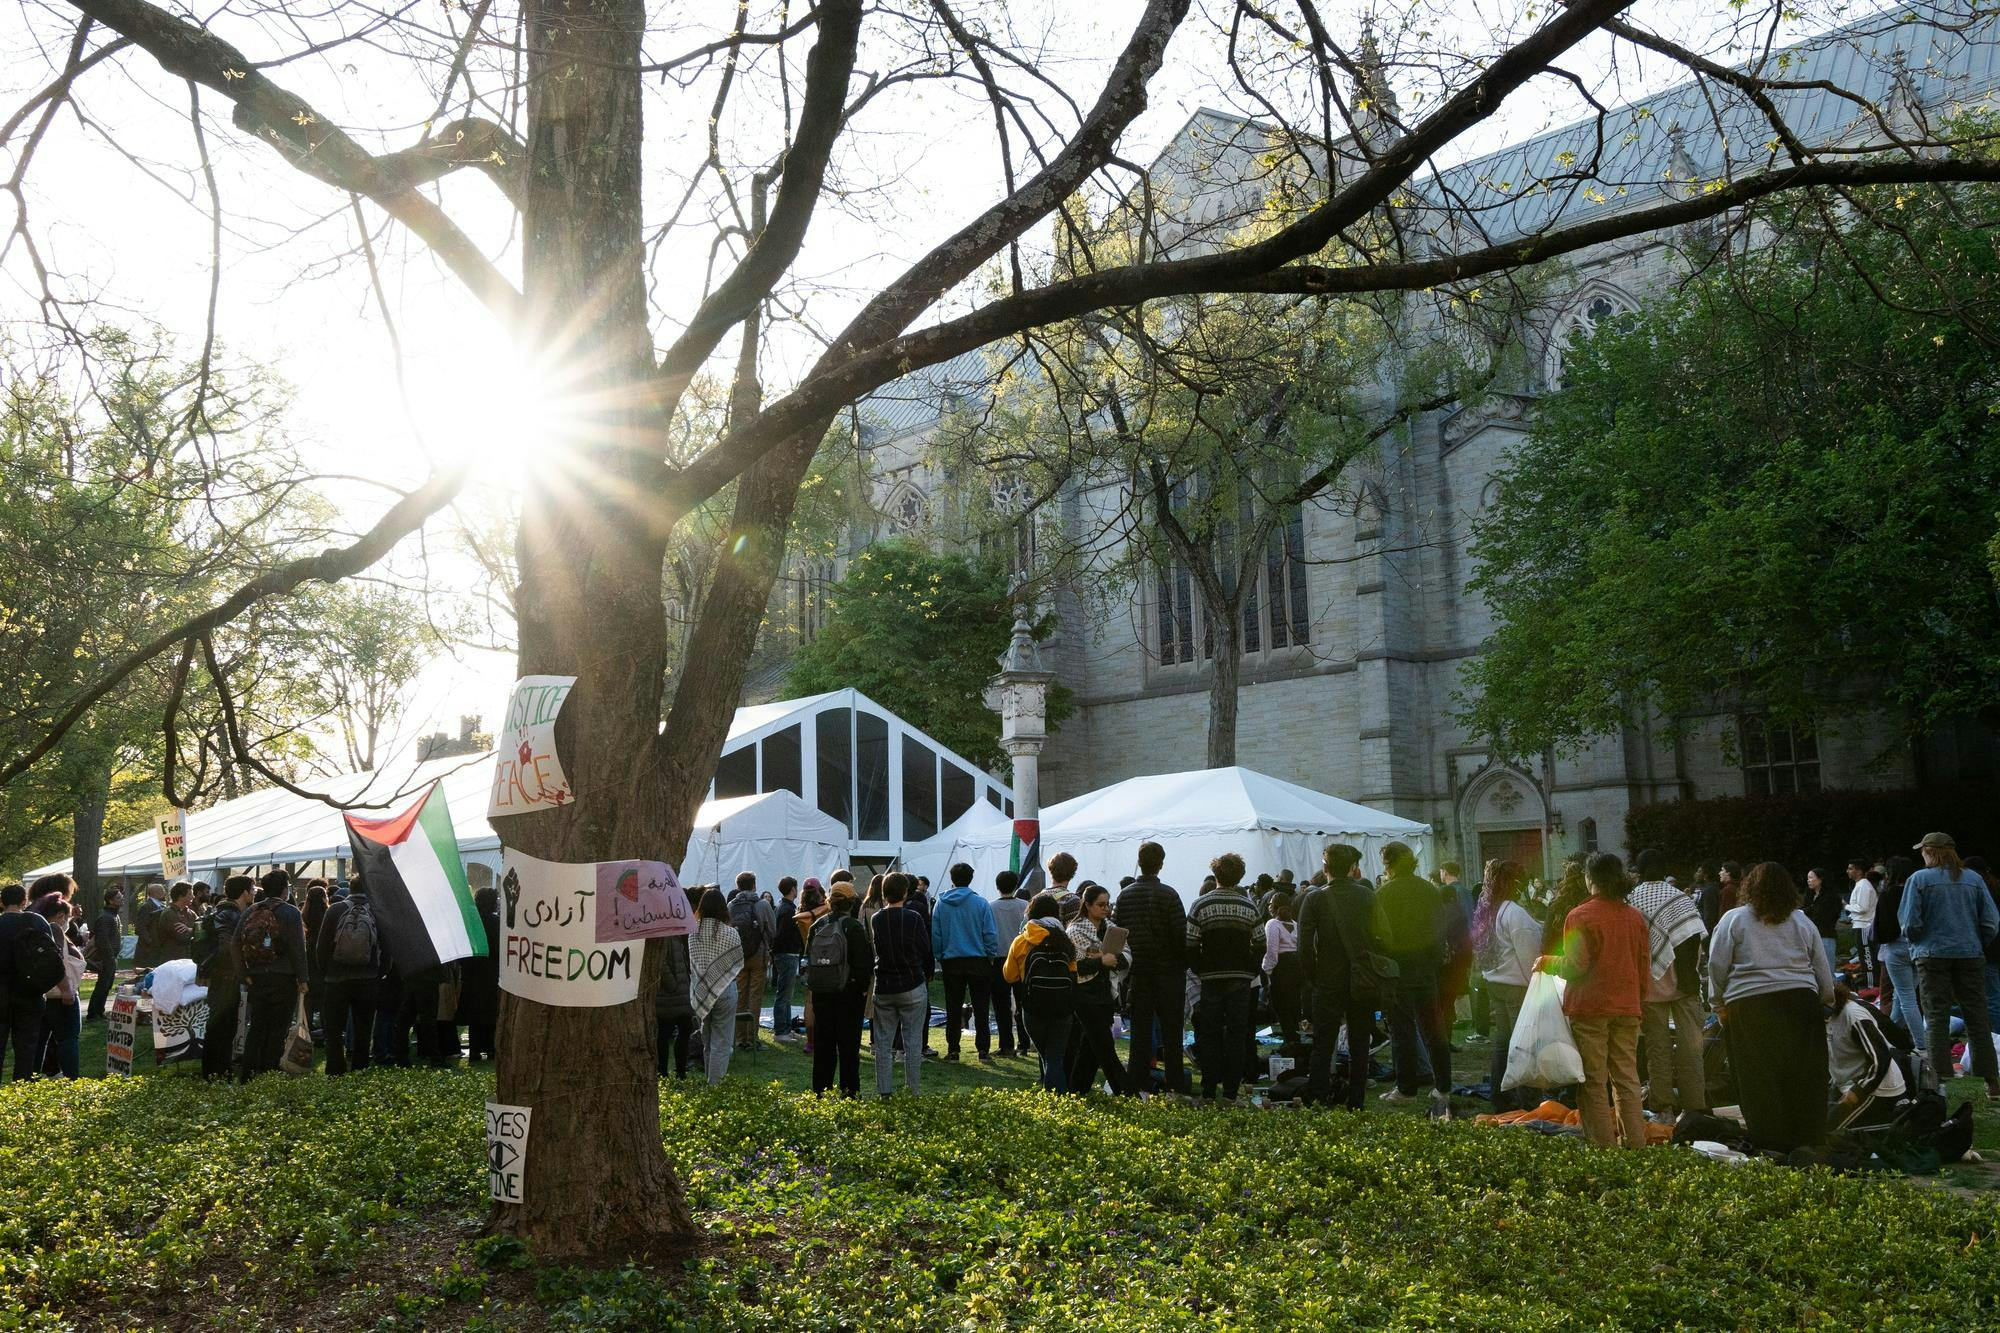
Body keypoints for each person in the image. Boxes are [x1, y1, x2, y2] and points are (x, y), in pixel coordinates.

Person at [1710, 862, 1836, 1153]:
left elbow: (1717, 965)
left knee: (1757, 1076)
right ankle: (1807, 1137)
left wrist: (1718, 1003)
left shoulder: (1734, 920)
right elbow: (1821, 967)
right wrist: (1826, 1001)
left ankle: (1770, 1140)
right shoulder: (1802, 922)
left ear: (1749, 888)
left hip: (1750, 1004)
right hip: (1800, 1002)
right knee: (1804, 1074)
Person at [1548, 853, 1650, 1149]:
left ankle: (1603, 1146)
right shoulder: (1634, 917)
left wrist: (1549, 962)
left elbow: (1575, 966)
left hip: (1590, 1008)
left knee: (1593, 1080)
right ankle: (1636, 1143)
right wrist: (1638, 1001)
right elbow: (1644, 964)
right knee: (1627, 1079)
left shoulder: (1579, 916)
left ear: (1589, 879)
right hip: (1627, 1006)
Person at [1899, 831, 2000, 1096]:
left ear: (1930, 851)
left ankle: (1940, 1080)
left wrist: (1920, 942)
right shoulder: (1974, 879)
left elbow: (1909, 923)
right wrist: (1975, 942)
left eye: (1922, 850)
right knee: (1978, 1017)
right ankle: (1990, 1080)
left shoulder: (1919, 879)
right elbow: (1991, 921)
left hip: (1932, 955)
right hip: (1969, 954)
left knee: (1935, 1017)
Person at [1372, 841, 1453, 1117]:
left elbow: (1378, 933)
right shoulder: (1429, 889)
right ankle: (1443, 1086)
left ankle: (1406, 1088)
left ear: (1389, 864)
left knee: (1402, 1030)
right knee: (1434, 1028)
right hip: (1426, 968)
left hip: (1397, 969)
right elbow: (1441, 926)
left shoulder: (1384, 893)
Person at [1299, 843, 1381, 1110]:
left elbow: (1304, 946)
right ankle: (1356, 1100)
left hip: (1328, 978)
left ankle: (1319, 1096)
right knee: (1359, 1043)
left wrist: (1314, 976)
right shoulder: (1368, 896)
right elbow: (1384, 936)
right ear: (1352, 868)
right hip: (1361, 977)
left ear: (1325, 868)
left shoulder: (1314, 898)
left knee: (1323, 1042)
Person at [1629, 848, 1709, 1116]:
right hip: (1684, 985)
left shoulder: (1631, 900)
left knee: (1657, 1051)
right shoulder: (1681, 899)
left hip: (1649, 987)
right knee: (1691, 1049)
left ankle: (1663, 1106)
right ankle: (1695, 1106)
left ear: (1638, 871)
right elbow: (1695, 936)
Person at [1113, 842, 1187, 1097]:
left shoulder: (1125, 895)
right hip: (1168, 971)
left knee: (1141, 1032)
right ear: (1161, 863)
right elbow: (1180, 935)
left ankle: (1137, 1081)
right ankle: (1175, 1083)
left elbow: (1118, 932)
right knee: (1172, 1031)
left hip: (1139, 971)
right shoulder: (1169, 895)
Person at [1187, 852, 1262, 1104]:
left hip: (1210, 978)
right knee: (1237, 1035)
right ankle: (1230, 1092)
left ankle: (1209, 1091)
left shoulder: (1201, 904)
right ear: (1239, 876)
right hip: (1240, 978)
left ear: (1216, 874)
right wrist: (1250, 969)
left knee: (1209, 1034)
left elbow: (1189, 943)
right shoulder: (1249, 905)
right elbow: (1261, 942)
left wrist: (1200, 968)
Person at [1471, 858, 1542, 1112]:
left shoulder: (1489, 909)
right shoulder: (1514, 912)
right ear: (1514, 883)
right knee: (1522, 1043)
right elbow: (1530, 957)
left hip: (1495, 982)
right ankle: (1527, 1099)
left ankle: (1500, 1096)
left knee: (1503, 1041)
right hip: (1516, 986)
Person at [235, 870, 308, 1079]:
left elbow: (235, 943)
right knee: (278, 1027)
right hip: (283, 977)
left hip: (257, 977)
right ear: (285, 890)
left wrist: (244, 973)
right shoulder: (291, 912)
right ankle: (268, 1072)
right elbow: (297, 948)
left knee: (257, 1025)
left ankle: (248, 1072)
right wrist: (303, 979)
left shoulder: (251, 910)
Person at [807, 882, 874, 1096]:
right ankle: (849, 1090)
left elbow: (808, 958)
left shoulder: (816, 926)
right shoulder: (854, 927)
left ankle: (821, 1089)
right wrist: (863, 988)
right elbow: (863, 963)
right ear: (851, 902)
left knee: (823, 1043)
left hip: (821, 991)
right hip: (849, 992)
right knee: (848, 1045)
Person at [1005, 891, 1076, 1090]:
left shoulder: (1021, 941)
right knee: (1054, 1057)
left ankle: (1054, 1098)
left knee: (1048, 1056)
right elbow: (1074, 975)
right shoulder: (1064, 940)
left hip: (1033, 1006)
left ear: (1031, 913)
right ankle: (1057, 1097)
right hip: (1062, 1007)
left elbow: (1009, 976)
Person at [315, 873, 384, 1076]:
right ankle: (360, 1067)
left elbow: (322, 944)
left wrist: (326, 970)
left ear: (350, 889)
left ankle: (335, 1069)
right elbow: (386, 947)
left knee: (333, 1029)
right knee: (363, 1028)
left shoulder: (335, 909)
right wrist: (379, 972)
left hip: (336, 979)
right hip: (368, 979)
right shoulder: (377, 912)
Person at [870, 872, 931, 1096]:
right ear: (905, 892)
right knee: (913, 1042)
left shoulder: (876, 918)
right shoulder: (913, 918)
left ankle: (884, 1091)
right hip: (911, 983)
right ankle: (912, 1090)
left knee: (883, 1043)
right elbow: (925, 948)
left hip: (885, 985)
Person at [931, 861, 999, 1063]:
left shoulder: (941, 903)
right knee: (981, 1007)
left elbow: (936, 933)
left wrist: (939, 955)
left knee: (952, 1007)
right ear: (971, 879)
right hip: (978, 960)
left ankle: (953, 1050)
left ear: (952, 879)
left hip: (951, 960)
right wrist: (990, 954)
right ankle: (983, 1050)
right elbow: (989, 933)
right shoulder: (980, 903)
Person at [1065, 882, 1129, 1095]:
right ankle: (1127, 1091)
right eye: (1101, 904)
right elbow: (1075, 967)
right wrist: (1101, 961)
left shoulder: (1112, 929)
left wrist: (1113, 960)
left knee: (1090, 1047)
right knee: (1104, 1046)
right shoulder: (1075, 931)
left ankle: (1077, 1090)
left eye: (1107, 904)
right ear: (1088, 905)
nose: (1105, 908)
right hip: (1084, 994)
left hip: (1105, 993)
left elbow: (1126, 956)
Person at [1827, 983, 1907, 1132]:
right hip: (1844, 1084)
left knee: (1830, 1133)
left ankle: (1892, 1125)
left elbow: (1880, 1058)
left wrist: (1857, 1091)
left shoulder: (1854, 1016)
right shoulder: (1823, 1016)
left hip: (1876, 1089)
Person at [196, 876, 253, 1080]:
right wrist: (240, 971)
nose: (254, 893)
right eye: (252, 889)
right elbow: (227, 947)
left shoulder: (221, 911)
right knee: (222, 1026)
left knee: (223, 1026)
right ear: (244, 892)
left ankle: (219, 1069)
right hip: (225, 976)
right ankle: (217, 1071)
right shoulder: (230, 914)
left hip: (221, 975)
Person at [0, 883, 56, 1082]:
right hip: (30, 991)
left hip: (2, 992)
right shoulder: (37, 922)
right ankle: (22, 1088)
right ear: (24, 902)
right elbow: (51, 956)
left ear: (2, 902)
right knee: (26, 1046)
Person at [690, 888, 744, 1085]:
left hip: (701, 992)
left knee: (707, 1041)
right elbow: (737, 964)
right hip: (726, 990)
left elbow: (693, 965)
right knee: (721, 1042)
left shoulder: (692, 932)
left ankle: (709, 1082)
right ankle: (715, 1087)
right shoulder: (731, 933)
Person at [1874, 856, 1924, 1049]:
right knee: (1901, 998)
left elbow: (1883, 929)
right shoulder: (1918, 892)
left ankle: (1921, 1045)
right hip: (1918, 947)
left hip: (1897, 948)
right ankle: (1889, 1036)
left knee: (1906, 999)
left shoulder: (1888, 895)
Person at [32, 894, 85, 1079]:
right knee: (68, 1039)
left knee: (40, 1040)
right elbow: (57, 961)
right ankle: (72, 1078)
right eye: (68, 917)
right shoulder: (54, 930)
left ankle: (30, 1078)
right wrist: (66, 989)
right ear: (61, 915)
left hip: (45, 994)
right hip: (62, 994)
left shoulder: (38, 929)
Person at [727, 872, 773, 1051]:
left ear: (738, 886)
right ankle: (752, 1038)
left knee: (740, 995)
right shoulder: (762, 904)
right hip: (758, 954)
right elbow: (772, 928)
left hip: (738, 955)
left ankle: (740, 1039)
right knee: (755, 996)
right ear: (754, 885)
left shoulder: (731, 905)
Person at [655, 887, 698, 1078]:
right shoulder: (664, 933)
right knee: (664, 1034)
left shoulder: (678, 931)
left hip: (680, 991)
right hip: (669, 993)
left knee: (683, 1031)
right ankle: (663, 1072)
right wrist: (672, 984)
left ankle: (679, 1071)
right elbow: (660, 964)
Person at [990, 869, 1029, 1057]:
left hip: (998, 960)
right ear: (1016, 886)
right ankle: (1024, 1043)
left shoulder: (990, 907)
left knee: (1001, 1004)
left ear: (997, 886)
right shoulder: (1025, 905)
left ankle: (1006, 1045)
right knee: (1023, 1002)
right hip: (1022, 959)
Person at [460, 885, 500, 1062]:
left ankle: (475, 1049)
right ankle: (490, 1048)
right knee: (491, 1012)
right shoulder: (496, 923)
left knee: (474, 1012)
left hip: (472, 971)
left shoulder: (471, 922)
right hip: (491, 971)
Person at [1261, 888, 1303, 1045]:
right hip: (1296, 966)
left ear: (1274, 906)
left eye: (1270, 903)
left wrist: (1267, 970)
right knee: (1292, 1003)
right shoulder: (1295, 924)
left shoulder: (1272, 924)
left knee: (1280, 1004)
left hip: (1281, 967)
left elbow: (1272, 951)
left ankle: (1290, 1039)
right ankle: (1294, 1036)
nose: (1269, 906)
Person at [795, 878, 830, 1054]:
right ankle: (826, 1040)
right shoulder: (825, 911)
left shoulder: (800, 912)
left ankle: (810, 1042)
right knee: (827, 1001)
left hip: (806, 960)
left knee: (809, 1001)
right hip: (825, 959)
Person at [770, 876, 804, 1042]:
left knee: (787, 994)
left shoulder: (783, 907)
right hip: (786, 954)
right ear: (792, 889)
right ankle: (780, 1031)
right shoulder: (787, 910)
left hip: (786, 954)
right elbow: (782, 935)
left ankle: (786, 1027)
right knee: (784, 994)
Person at [86, 888, 122, 1022]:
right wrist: (110, 957)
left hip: (111, 957)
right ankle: (93, 1014)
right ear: (111, 901)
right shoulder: (105, 917)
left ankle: (99, 1012)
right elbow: (102, 940)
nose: (121, 899)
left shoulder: (113, 915)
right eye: (118, 897)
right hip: (107, 957)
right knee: (102, 985)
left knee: (106, 985)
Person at [1804, 868, 1843, 977]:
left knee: (1827, 968)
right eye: (1808, 878)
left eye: (1811, 877)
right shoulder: (1809, 895)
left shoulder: (1831, 897)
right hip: (1808, 936)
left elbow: (1825, 917)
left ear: (1820, 879)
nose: (1809, 880)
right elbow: (1804, 911)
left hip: (1825, 934)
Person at [1847, 859, 1879, 988]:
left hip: (1865, 926)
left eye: (1851, 868)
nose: (1848, 871)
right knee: (1864, 957)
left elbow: (1863, 907)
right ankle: (1870, 984)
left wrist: (1847, 906)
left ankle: (1872, 986)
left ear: (1859, 870)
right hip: (1861, 925)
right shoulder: (1860, 885)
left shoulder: (1863, 885)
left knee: (1867, 958)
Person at [158, 882, 196, 964]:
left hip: (188, 959)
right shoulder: (169, 914)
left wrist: (189, 930)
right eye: (190, 894)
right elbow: (182, 937)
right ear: (181, 896)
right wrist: (195, 931)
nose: (193, 897)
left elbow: (203, 931)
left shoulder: (191, 913)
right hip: (172, 960)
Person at [132, 881, 167, 971]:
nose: (164, 893)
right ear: (155, 893)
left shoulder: (162, 906)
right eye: (162, 891)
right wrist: (150, 941)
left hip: (157, 948)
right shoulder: (147, 907)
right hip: (148, 949)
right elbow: (140, 927)